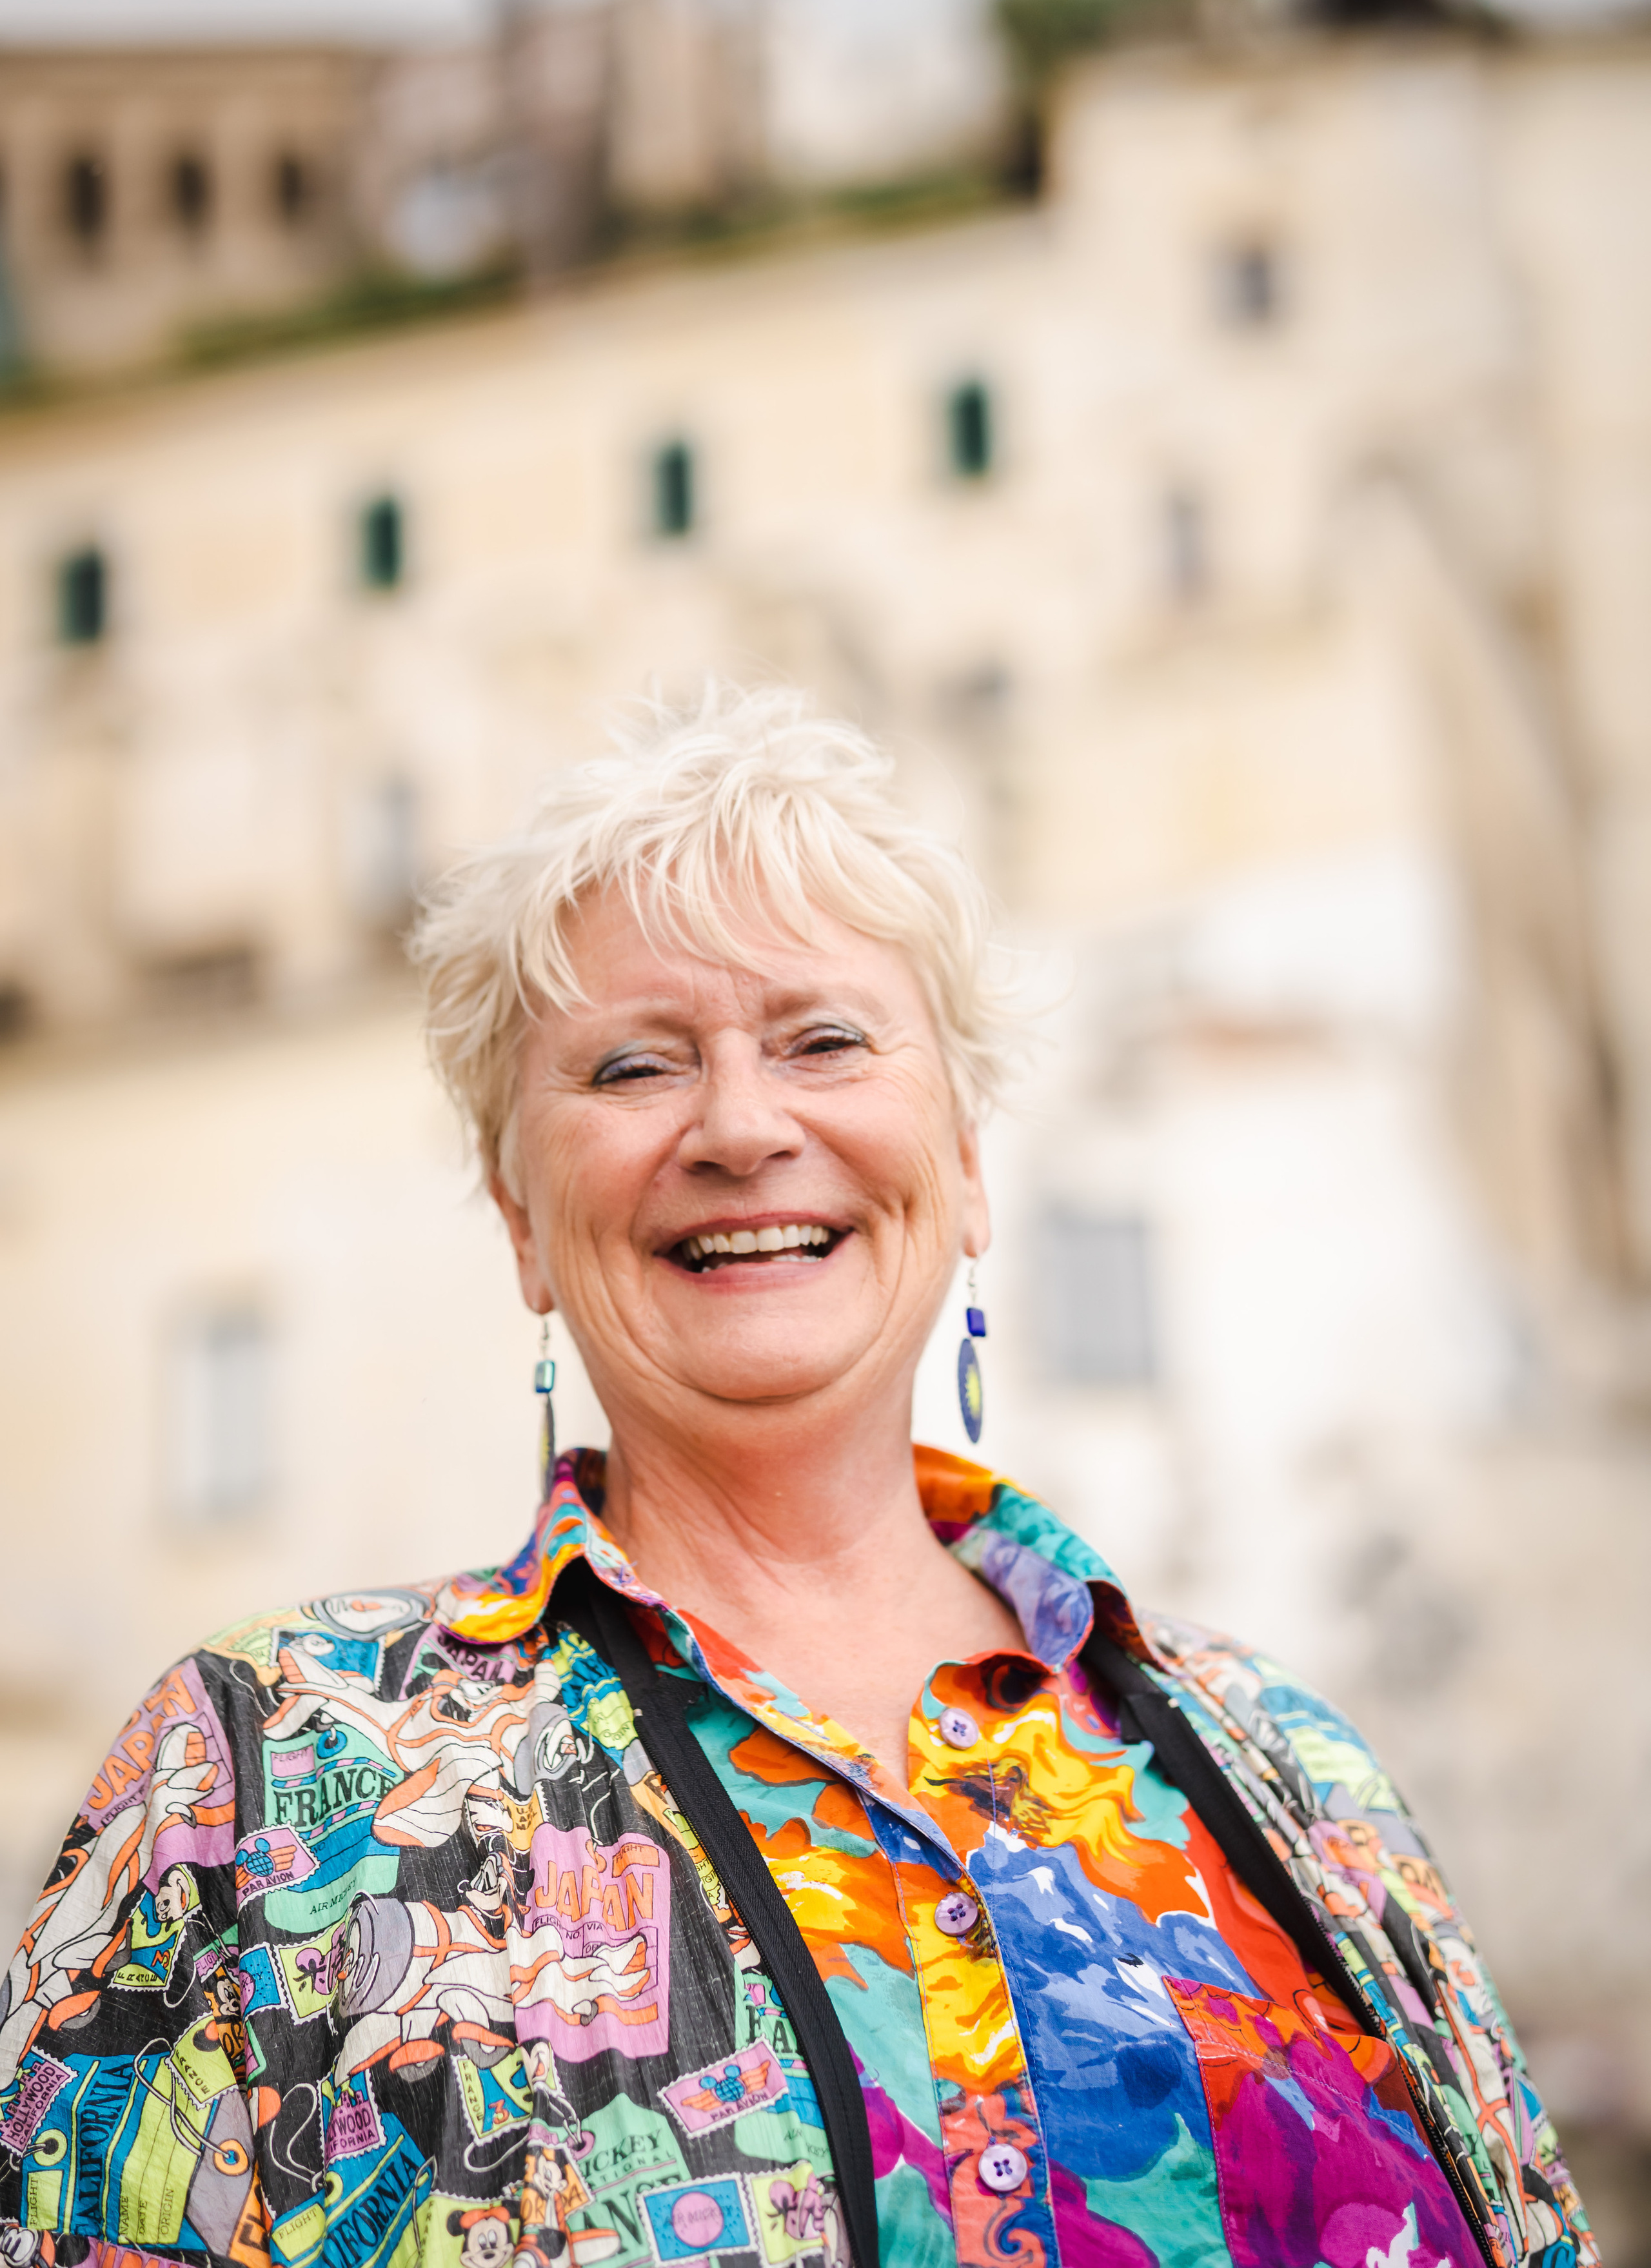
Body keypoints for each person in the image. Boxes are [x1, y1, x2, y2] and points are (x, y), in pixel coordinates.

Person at [0, 685, 1595, 2268]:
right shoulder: (259, 1784)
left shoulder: (1294, 1778)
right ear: (519, 1221)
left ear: (966, 1165)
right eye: (633, 1068)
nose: (741, 1125)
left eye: (824, 1038)